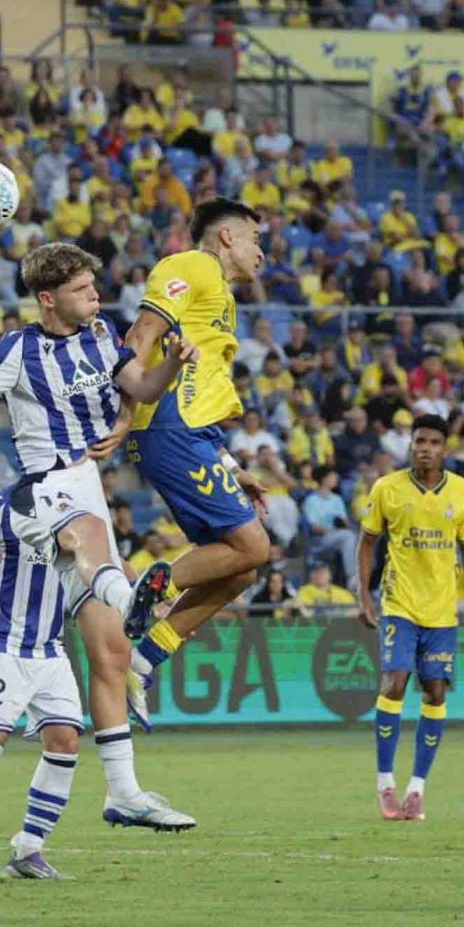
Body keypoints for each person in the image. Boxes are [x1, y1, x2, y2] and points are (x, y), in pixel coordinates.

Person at [0, 244, 200, 829]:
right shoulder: (17, 349)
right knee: (87, 544)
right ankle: (130, 594)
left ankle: (124, 791)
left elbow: (143, 382)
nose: (97, 297)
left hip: (89, 487)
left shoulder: (103, 335)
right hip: (46, 488)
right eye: (85, 290)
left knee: (109, 652)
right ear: (48, 297)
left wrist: (174, 365)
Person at [117, 200, 275, 727]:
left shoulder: (221, 296)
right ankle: (151, 582)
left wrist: (232, 466)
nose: (262, 252)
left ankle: (142, 661)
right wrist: (123, 417)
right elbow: (138, 337)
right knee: (254, 544)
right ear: (227, 237)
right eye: (256, 238)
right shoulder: (188, 266)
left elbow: (199, 395)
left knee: (241, 569)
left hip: (193, 434)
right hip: (166, 427)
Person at [354, 413, 464, 822]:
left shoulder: (463, 492)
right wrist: (364, 595)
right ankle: (385, 784)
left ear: (444, 449)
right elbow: (366, 544)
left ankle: (416, 790)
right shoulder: (388, 489)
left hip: (442, 610)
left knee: (435, 692)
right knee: (394, 682)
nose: (425, 448)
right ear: (410, 446)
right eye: (419, 441)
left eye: (433, 441)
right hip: (400, 604)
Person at [0, 488, 87, 880]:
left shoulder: (77, 504)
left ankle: (29, 848)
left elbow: (102, 558)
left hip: (49, 646)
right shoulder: (0, 504)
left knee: (65, 740)